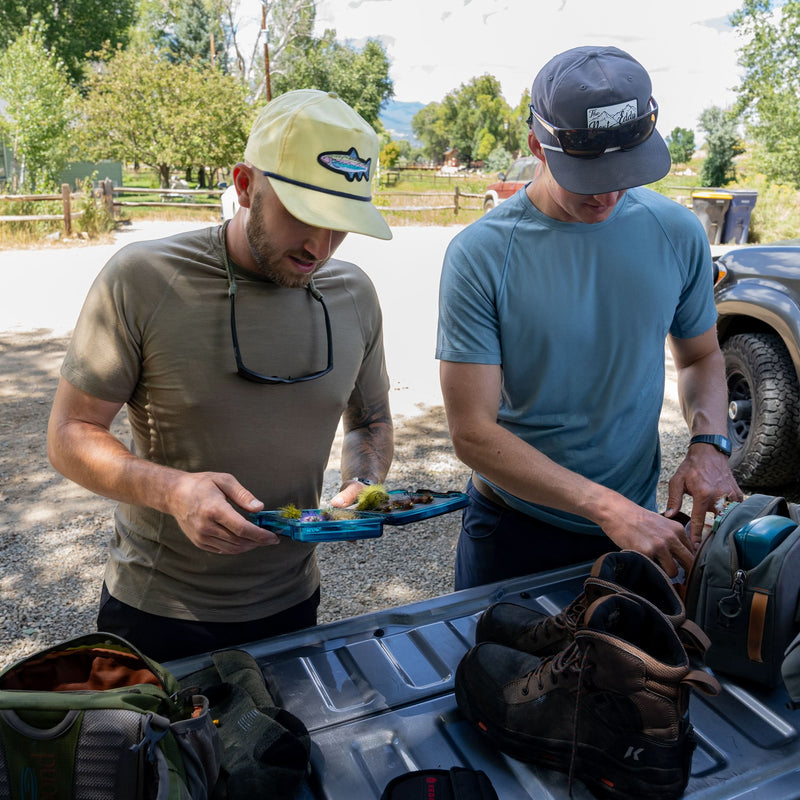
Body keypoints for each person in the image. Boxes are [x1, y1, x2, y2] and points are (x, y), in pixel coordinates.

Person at [47, 89, 394, 661]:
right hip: (158, 613)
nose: (319, 247)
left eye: (340, 226)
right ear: (244, 184)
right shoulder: (144, 278)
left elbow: (372, 421)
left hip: (294, 605)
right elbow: (69, 434)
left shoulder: (354, 293)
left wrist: (365, 481)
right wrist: (175, 491)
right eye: (304, 216)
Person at [436, 46, 742, 589]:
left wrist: (708, 445)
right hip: (515, 527)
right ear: (537, 145)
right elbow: (472, 433)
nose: (606, 192)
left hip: (633, 524)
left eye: (625, 169)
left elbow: (700, 356)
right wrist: (607, 507)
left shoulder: (676, 232)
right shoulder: (480, 253)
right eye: (586, 172)